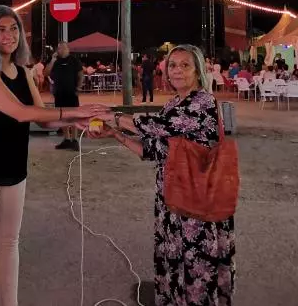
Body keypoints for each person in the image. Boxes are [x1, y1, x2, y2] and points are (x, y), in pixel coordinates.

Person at [0, 6, 105, 306]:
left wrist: (76, 121)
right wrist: (75, 111)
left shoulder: (23, 72)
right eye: (1, 30)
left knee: (9, 244)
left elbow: (42, 119)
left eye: (14, 29)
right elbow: (21, 113)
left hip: (13, 167)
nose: (9, 35)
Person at [98, 44, 235, 305]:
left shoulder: (203, 102)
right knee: (173, 258)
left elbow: (158, 127)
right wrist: (115, 134)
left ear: (198, 71)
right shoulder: (173, 104)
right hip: (171, 198)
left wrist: (113, 117)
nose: (177, 70)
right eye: (172, 65)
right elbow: (152, 149)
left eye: (185, 65)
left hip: (196, 201)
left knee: (196, 266)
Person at [46, 42, 84, 150]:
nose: (61, 50)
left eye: (63, 48)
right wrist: (52, 60)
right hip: (59, 94)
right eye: (59, 48)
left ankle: (74, 140)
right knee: (62, 117)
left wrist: (79, 88)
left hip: (71, 93)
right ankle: (67, 139)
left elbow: (81, 75)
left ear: (68, 49)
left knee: (74, 116)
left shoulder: (74, 60)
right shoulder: (55, 61)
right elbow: (46, 73)